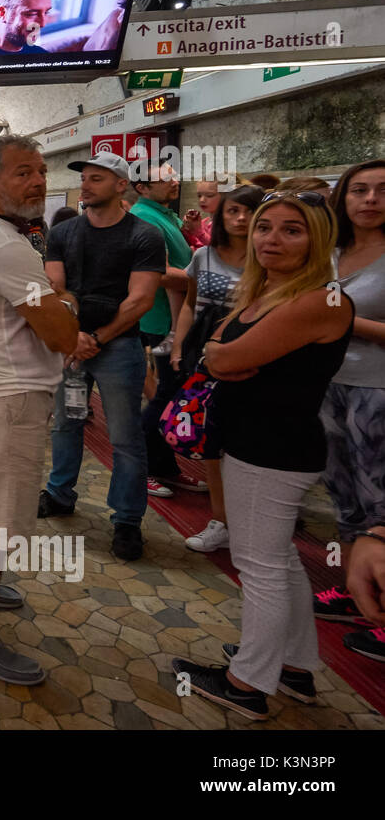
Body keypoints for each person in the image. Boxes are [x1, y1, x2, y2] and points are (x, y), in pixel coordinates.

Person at [173, 190, 354, 720]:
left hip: (274, 447)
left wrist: (220, 356)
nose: (272, 238)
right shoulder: (273, 289)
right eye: (264, 227)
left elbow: (226, 351)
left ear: (317, 239)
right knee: (278, 561)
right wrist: (219, 355)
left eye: (291, 230)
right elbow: (219, 343)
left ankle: (247, 682)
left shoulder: (319, 300)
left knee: (260, 566)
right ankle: (294, 666)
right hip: (262, 439)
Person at [0, 135, 78, 685]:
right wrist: (65, 305)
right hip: (10, 399)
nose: (38, 182)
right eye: (23, 173)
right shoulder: (7, 247)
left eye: (41, 172)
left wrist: (53, 301)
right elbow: (61, 335)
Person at [39, 152, 165, 560]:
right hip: (71, 344)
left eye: (97, 178)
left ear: (120, 185)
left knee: (125, 438)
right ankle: (60, 493)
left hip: (120, 347)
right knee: (66, 423)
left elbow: (141, 299)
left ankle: (127, 521)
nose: (87, 185)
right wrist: (72, 336)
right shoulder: (64, 233)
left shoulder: (143, 236)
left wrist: (94, 336)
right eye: (85, 178)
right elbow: (55, 288)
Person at [312, 159, 385, 663]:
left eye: (382, 190)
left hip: (377, 388)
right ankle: (356, 587)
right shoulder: (330, 253)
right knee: (342, 490)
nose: (370, 199)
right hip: (327, 383)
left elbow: (329, 317)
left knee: (381, 499)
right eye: (359, 190)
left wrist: (346, 322)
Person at [170, 185, 264, 552]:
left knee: (248, 444)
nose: (241, 219)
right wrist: (178, 344)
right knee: (210, 442)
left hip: (255, 360)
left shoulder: (271, 258)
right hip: (206, 357)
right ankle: (221, 520)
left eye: (249, 212)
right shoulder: (205, 256)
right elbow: (192, 304)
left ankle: (254, 520)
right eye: (234, 211)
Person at [130, 161, 205, 498]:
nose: (173, 182)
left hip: (179, 318)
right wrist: (202, 276)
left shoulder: (163, 213)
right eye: (164, 179)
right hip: (164, 320)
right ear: (141, 188)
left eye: (173, 176)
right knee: (167, 394)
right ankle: (141, 466)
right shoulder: (145, 218)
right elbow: (156, 272)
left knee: (173, 393)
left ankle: (163, 465)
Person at [182, 178, 222, 250]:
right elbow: (197, 243)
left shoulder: (226, 223)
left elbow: (222, 250)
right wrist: (188, 230)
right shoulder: (204, 222)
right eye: (199, 195)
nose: (202, 200)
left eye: (209, 195)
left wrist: (199, 232)